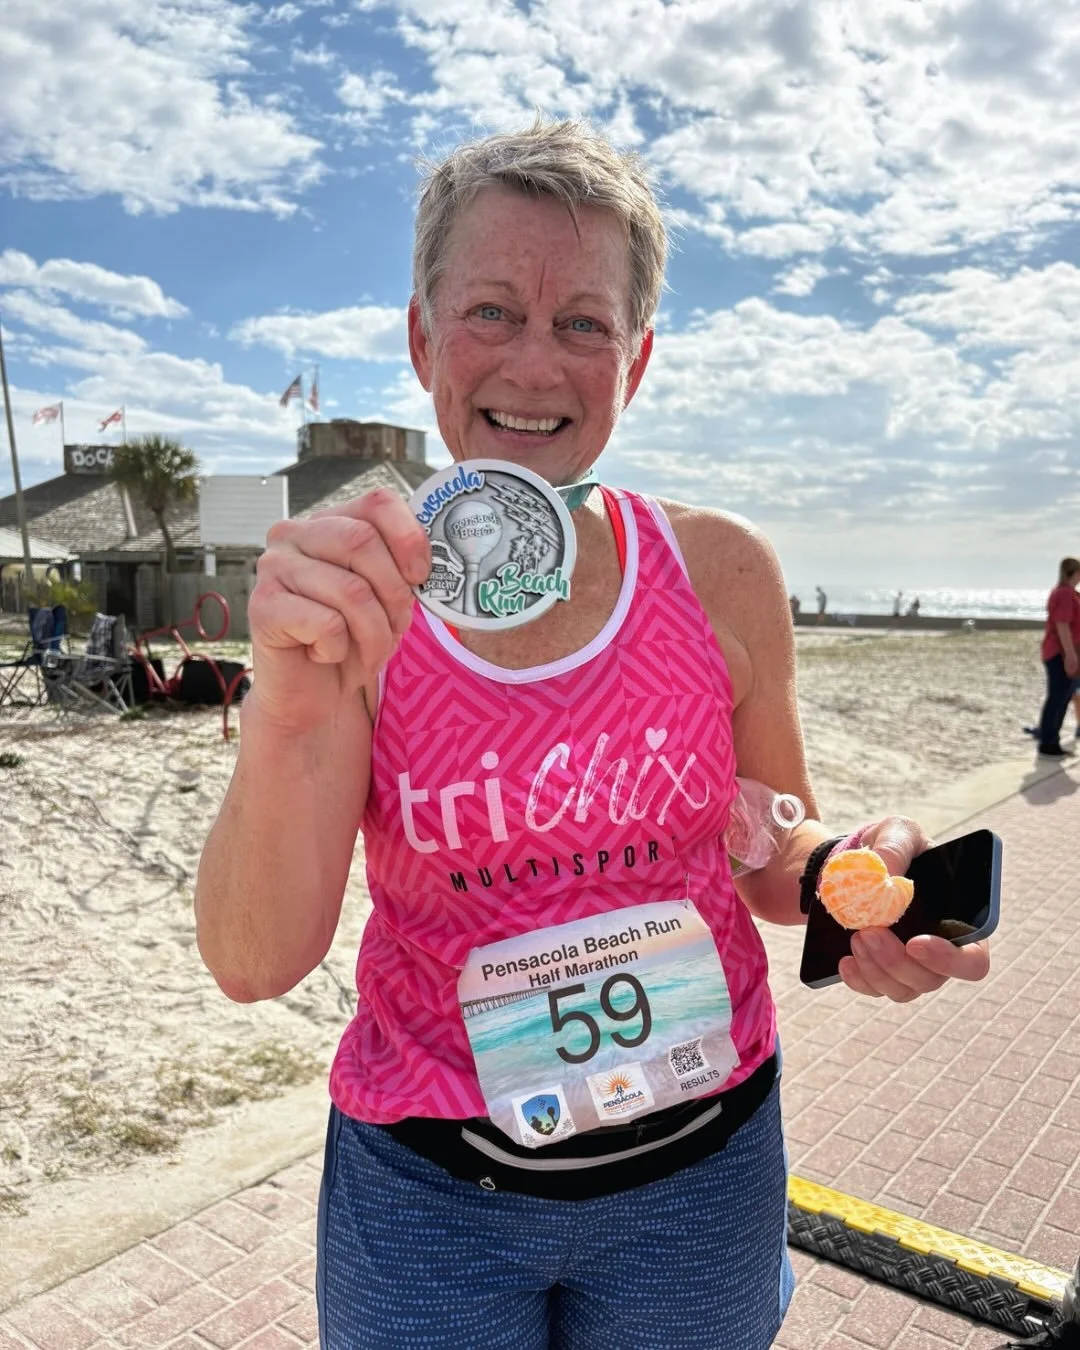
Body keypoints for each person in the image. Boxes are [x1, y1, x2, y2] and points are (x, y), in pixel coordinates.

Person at [194, 119, 990, 1350]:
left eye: (584, 324)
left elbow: (768, 848)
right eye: (491, 312)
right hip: (432, 1188)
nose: (535, 365)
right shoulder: (361, 597)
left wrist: (852, 879)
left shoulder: (718, 569)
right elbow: (254, 960)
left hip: (703, 1173)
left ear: (638, 358)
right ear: (421, 337)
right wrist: (291, 696)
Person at [1035, 557, 1080, 758]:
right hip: (1059, 653)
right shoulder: (1064, 594)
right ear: (1075, 573)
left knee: (1063, 697)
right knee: (1057, 697)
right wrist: (1070, 655)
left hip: (1067, 651)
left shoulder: (1070, 594)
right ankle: (1048, 742)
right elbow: (1062, 625)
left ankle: (1052, 740)